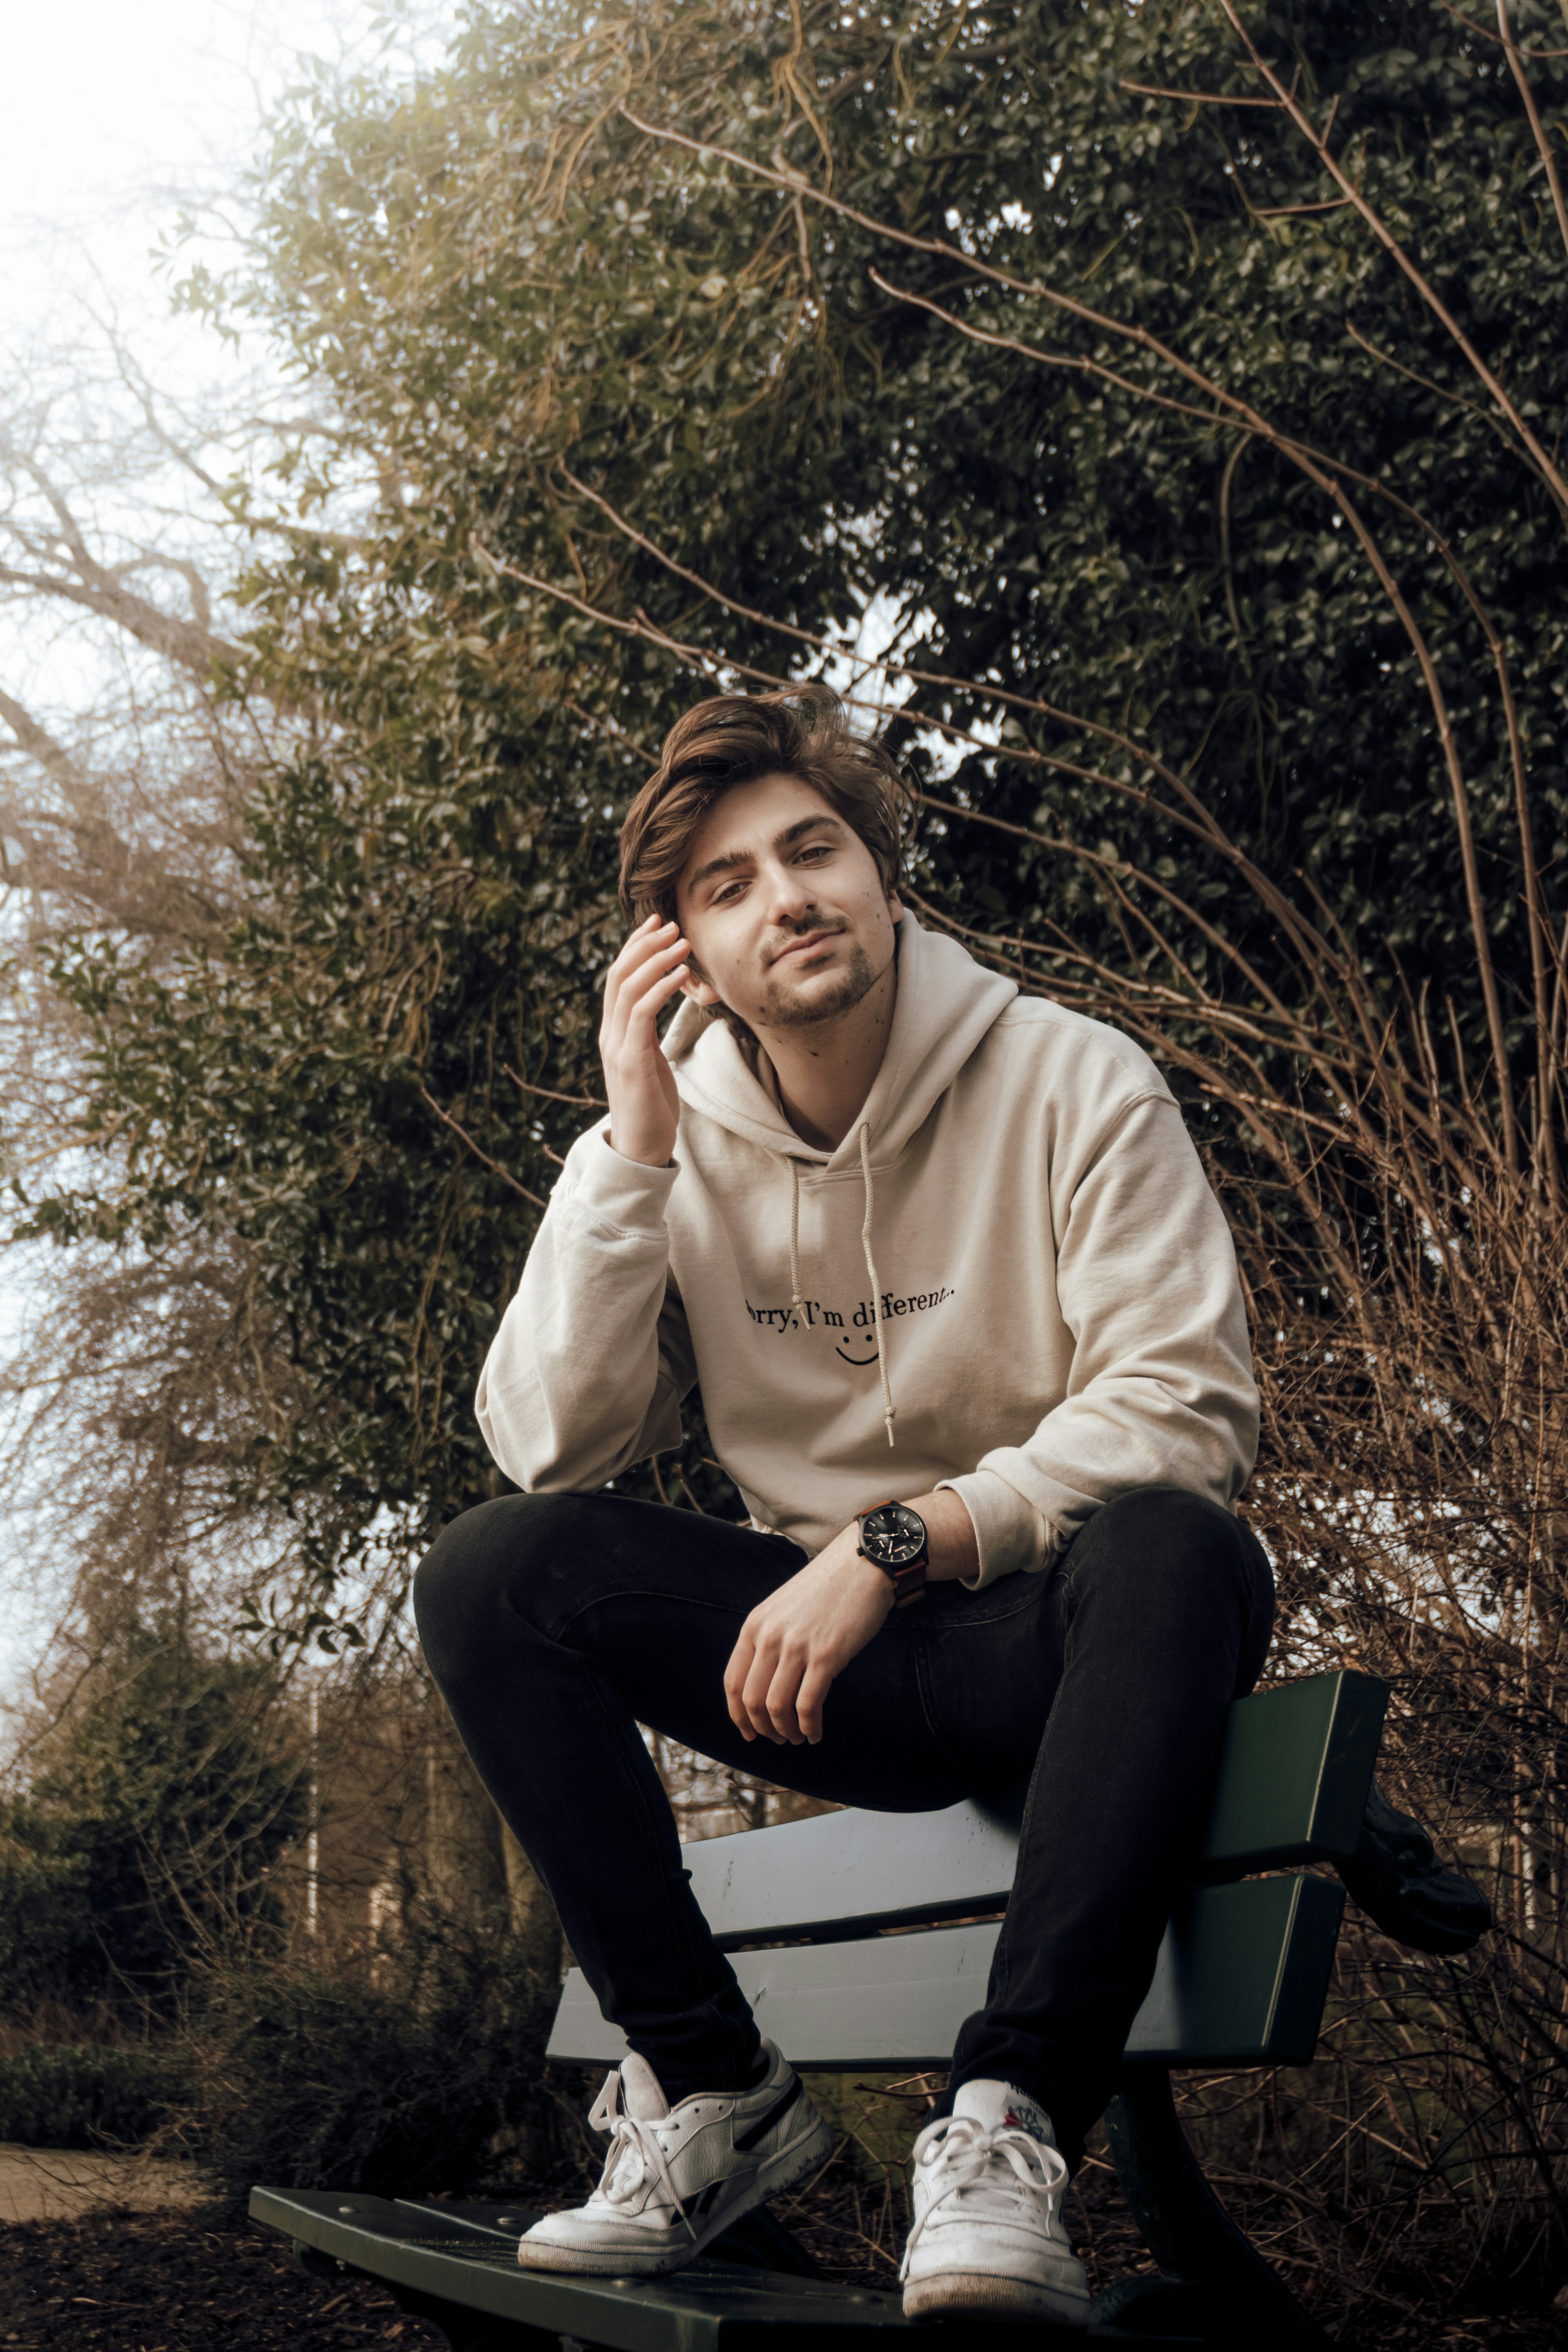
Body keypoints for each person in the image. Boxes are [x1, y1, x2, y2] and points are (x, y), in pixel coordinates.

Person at [413, 685, 1271, 2327]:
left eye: (812, 851)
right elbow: (547, 1441)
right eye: (725, 886)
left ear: (887, 883)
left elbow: (1185, 1407)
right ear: (686, 958)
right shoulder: (678, 1150)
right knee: (494, 1574)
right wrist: (627, 1150)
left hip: (1067, 1638)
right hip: (838, 1684)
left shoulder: (1073, 1078)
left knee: (1178, 1539)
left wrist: (897, 1541)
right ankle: (712, 2082)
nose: (783, 895)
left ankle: (1005, 2121)